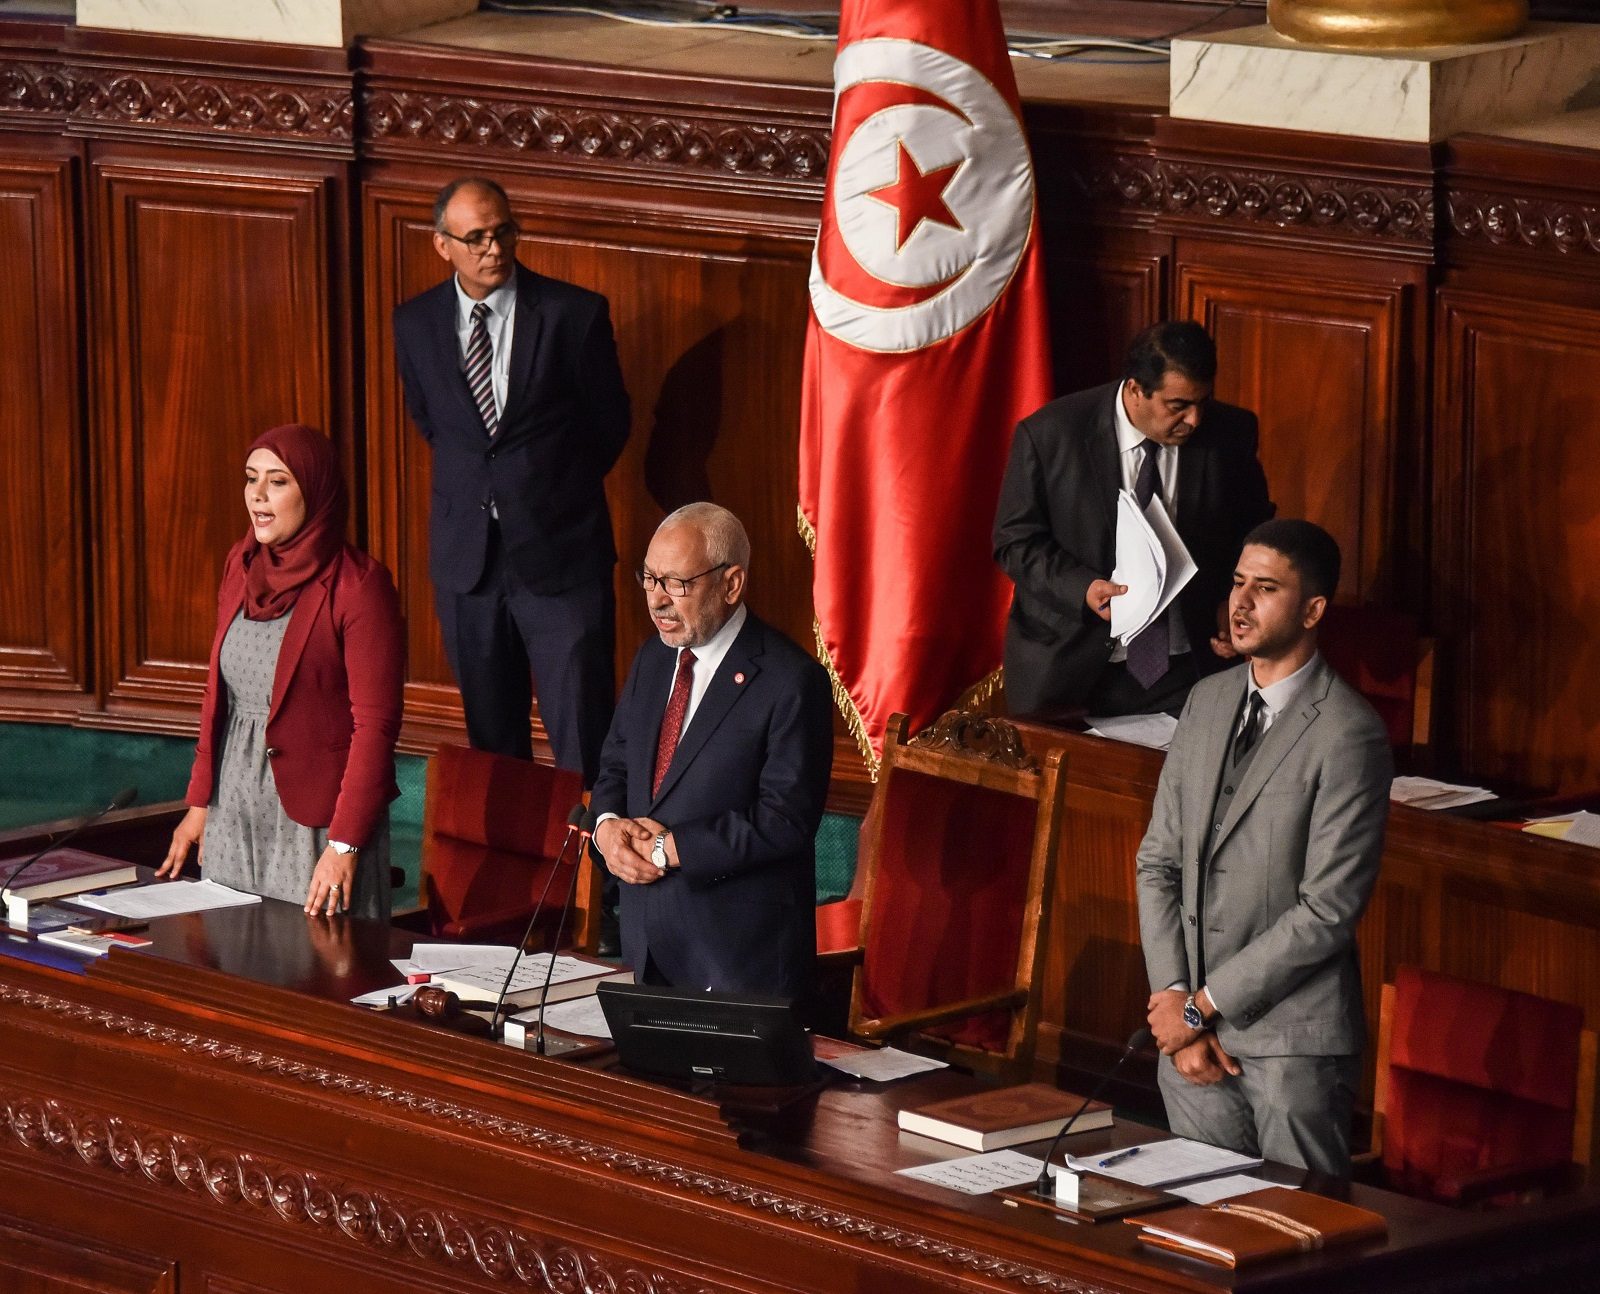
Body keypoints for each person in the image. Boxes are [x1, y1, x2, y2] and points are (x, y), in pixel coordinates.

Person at [1134, 519, 1392, 1175]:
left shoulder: (1349, 733)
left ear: (1312, 611)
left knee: (1299, 1232)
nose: (1241, 603)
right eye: (1237, 583)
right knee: (1198, 1226)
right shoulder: (1206, 701)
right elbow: (1158, 862)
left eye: (1267, 588)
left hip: (1291, 1049)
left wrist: (1200, 1008)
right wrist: (1175, 1003)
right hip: (1189, 1048)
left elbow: (1327, 911)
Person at [391, 175, 630, 781]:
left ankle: (589, 846)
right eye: (476, 238)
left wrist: (544, 492)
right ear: (442, 244)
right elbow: (433, 422)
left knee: (583, 735)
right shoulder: (414, 323)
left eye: (503, 232)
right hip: (468, 565)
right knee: (493, 743)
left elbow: (610, 424)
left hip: (561, 556)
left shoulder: (574, 315)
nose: (493, 249)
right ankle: (514, 849)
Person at [158, 424, 405, 920]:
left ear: (314, 490)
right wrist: (200, 803)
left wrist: (345, 844)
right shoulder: (241, 563)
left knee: (312, 960)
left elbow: (375, 726)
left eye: (278, 481)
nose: (258, 495)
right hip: (233, 807)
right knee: (227, 953)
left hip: (316, 824)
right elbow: (217, 697)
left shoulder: (359, 586)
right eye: (251, 478)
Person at [591, 504, 834, 1001]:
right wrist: (607, 828)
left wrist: (670, 848)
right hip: (645, 947)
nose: (657, 600)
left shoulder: (791, 681)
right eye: (649, 578)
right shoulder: (652, 659)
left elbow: (785, 819)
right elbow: (616, 763)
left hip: (738, 964)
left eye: (677, 583)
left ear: (732, 584)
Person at [993, 321, 1274, 718]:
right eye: (1178, 406)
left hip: (1187, 669)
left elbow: (1254, 535)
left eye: (1203, 402)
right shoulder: (1050, 435)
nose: (1194, 419)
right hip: (1068, 670)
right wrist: (1083, 588)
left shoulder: (1230, 433)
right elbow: (1015, 542)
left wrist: (1231, 599)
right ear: (1136, 389)